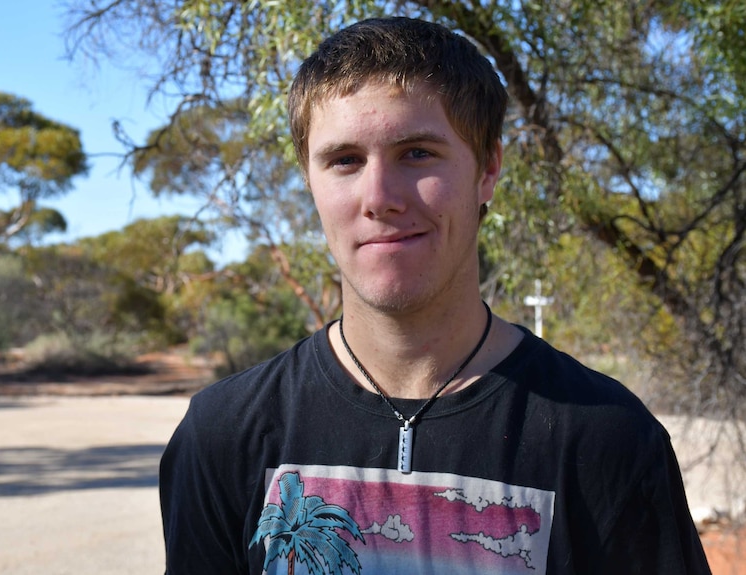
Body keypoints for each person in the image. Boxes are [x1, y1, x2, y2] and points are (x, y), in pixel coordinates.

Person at [159, 16, 711, 574]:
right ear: (309, 179)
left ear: (488, 169)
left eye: (417, 153)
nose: (379, 197)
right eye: (345, 160)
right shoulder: (222, 433)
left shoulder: (608, 438)